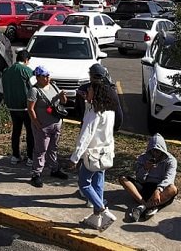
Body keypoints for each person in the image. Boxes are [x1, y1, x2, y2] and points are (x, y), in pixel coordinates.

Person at [70, 72, 118, 231]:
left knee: (84, 184)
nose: (86, 93)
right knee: (99, 183)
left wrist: (75, 157)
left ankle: (103, 211)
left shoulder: (93, 112)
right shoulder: (109, 111)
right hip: (105, 153)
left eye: (89, 91)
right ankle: (97, 216)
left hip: (93, 155)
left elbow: (86, 135)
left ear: (95, 93)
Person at [119, 133, 178, 222]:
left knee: (173, 189)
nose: (155, 154)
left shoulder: (171, 160)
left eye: (157, 151)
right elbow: (139, 178)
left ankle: (142, 208)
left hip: (160, 189)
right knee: (123, 178)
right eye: (153, 151)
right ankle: (147, 205)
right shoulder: (143, 158)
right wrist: (145, 169)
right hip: (145, 186)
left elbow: (169, 178)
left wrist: (158, 190)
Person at [27, 65, 68, 187]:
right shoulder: (34, 91)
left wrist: (62, 96)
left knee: (53, 148)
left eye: (48, 75)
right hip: (43, 126)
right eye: (45, 76)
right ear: (38, 77)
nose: (47, 78)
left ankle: (54, 168)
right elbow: (30, 108)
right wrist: (36, 122)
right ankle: (36, 173)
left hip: (56, 123)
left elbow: (63, 102)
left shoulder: (53, 86)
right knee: (41, 149)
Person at [1, 49, 35, 164]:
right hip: (25, 107)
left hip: (12, 106)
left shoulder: (6, 71)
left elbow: (1, 89)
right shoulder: (27, 70)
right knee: (30, 132)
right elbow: (34, 88)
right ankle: (30, 157)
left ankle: (15, 156)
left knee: (16, 131)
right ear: (26, 60)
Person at [77, 63, 123, 132]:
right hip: (105, 129)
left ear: (90, 75)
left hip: (87, 127)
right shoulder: (112, 92)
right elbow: (118, 115)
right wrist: (115, 128)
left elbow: (78, 110)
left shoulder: (82, 90)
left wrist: (83, 121)